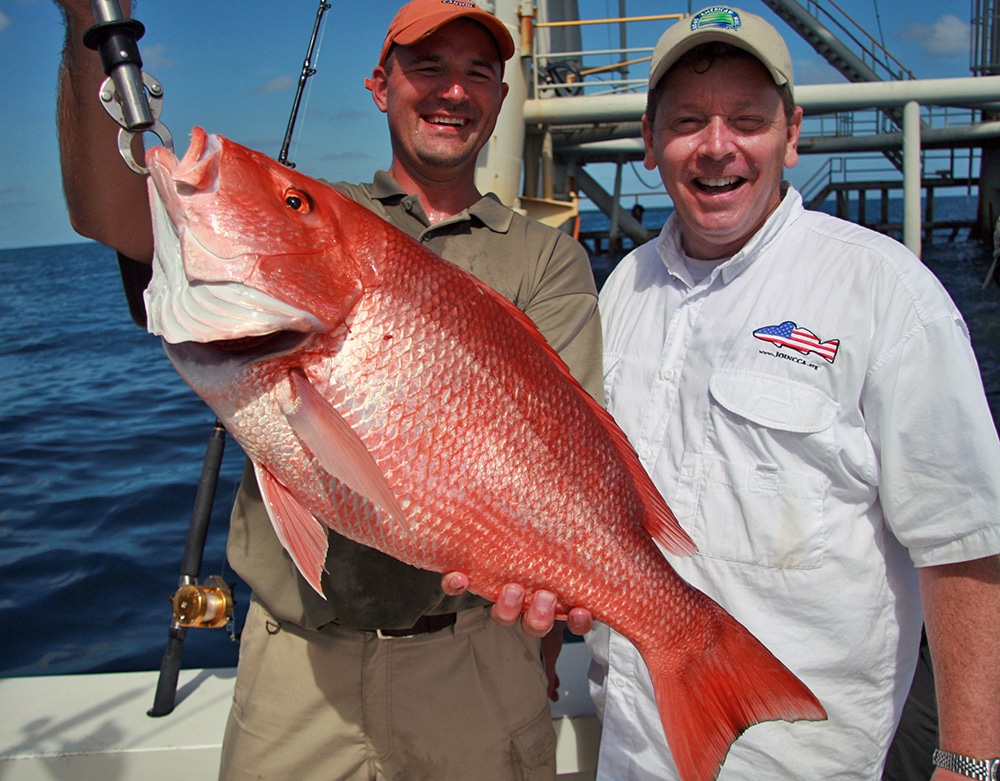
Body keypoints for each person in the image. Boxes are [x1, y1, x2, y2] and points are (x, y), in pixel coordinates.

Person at [54, 1, 599, 779]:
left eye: (477, 73)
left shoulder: (547, 260)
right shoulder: (322, 212)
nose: (453, 91)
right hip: (293, 667)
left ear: (502, 98)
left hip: (475, 667)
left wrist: (545, 631)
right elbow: (108, 211)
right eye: (427, 67)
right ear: (380, 85)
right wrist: (88, 27)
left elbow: (570, 460)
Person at [584, 7, 1000, 779]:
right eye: (686, 122)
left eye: (747, 119)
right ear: (649, 142)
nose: (716, 147)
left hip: (808, 758)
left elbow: (966, 544)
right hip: (632, 746)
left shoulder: (886, 293)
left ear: (792, 134)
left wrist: (970, 759)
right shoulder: (621, 294)